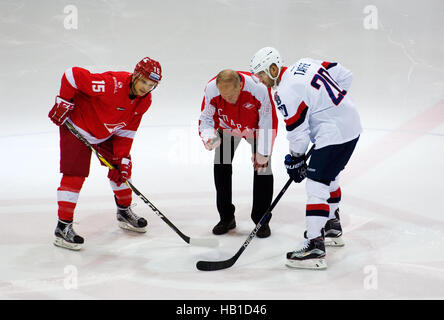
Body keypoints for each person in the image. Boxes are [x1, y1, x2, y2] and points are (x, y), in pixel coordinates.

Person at [250, 47, 362, 269]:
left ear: (273, 68)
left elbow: (297, 132)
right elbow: (344, 74)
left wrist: (296, 159)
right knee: (330, 177)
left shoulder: (284, 91)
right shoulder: (305, 63)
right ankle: (331, 225)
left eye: (262, 74)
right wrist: (331, 108)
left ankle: (314, 245)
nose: (261, 80)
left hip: (334, 134)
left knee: (316, 185)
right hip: (351, 125)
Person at [48, 57, 162, 250]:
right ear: (135, 76)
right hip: (78, 126)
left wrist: (122, 157)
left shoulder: (145, 101)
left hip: (107, 132)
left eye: (151, 85)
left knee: (122, 169)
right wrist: (64, 102)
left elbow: (128, 130)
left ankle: (124, 211)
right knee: (74, 176)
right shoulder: (111, 85)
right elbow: (72, 75)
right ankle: (63, 227)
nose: (146, 88)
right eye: (144, 82)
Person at [199, 69, 278, 238]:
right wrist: (209, 137)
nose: (227, 100)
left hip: (256, 130)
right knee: (221, 168)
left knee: (263, 169)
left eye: (231, 96)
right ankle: (226, 218)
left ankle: (261, 220)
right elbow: (206, 118)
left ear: (240, 86)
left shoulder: (259, 89)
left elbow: (268, 121)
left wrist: (263, 152)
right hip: (227, 128)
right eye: (223, 96)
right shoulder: (211, 88)